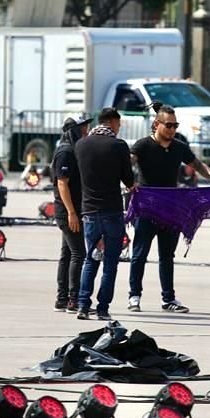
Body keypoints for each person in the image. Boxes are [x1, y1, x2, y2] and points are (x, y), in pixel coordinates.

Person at [128, 104, 210, 313]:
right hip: (147, 208)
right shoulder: (142, 146)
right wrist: (126, 180)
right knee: (139, 253)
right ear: (156, 124)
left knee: (167, 256)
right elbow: (127, 162)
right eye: (168, 125)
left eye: (175, 125)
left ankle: (168, 298)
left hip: (171, 209)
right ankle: (134, 296)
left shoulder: (178, 147)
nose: (172, 129)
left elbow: (196, 164)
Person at [74, 108, 135, 321]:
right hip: (112, 211)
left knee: (90, 259)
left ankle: (83, 305)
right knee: (110, 262)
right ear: (112, 122)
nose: (119, 129)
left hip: (89, 210)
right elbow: (129, 179)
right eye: (118, 124)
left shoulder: (81, 145)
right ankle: (102, 308)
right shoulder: (118, 146)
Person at [51, 114, 93, 313]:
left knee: (67, 253)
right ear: (73, 130)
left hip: (73, 209)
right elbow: (62, 183)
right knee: (79, 254)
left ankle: (62, 298)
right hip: (68, 211)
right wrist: (72, 213)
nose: (86, 130)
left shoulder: (74, 149)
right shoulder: (65, 152)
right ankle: (74, 299)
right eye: (83, 127)